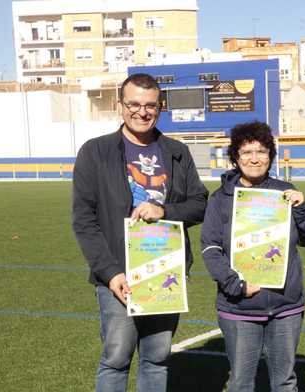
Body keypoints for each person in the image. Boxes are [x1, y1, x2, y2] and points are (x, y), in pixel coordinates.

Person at [72, 73, 209, 392]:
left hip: (164, 272)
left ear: (159, 108)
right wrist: (110, 273)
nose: (142, 112)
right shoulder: (96, 151)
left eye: (150, 105)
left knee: (157, 358)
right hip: (118, 275)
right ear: (119, 105)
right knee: (116, 358)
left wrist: (166, 211)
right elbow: (83, 220)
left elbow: (200, 203)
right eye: (134, 104)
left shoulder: (176, 151)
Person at [200, 121, 305, 392]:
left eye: (261, 151)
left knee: (285, 382)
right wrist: (235, 285)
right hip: (240, 307)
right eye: (246, 152)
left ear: (271, 155)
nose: (254, 158)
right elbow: (210, 248)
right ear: (235, 158)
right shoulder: (220, 199)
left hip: (286, 305)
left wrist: (301, 208)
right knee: (241, 383)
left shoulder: (285, 191)